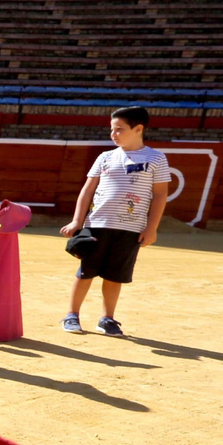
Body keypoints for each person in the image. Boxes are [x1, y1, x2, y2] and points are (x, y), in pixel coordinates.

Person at [58, 106, 169, 336]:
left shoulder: (156, 158)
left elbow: (160, 195)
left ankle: (107, 318)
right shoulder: (105, 157)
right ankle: (71, 315)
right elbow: (87, 190)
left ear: (138, 129)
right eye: (112, 129)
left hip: (131, 228)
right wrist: (77, 221)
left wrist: (152, 228)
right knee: (85, 271)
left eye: (119, 129)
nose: (113, 134)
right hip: (97, 224)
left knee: (115, 275)